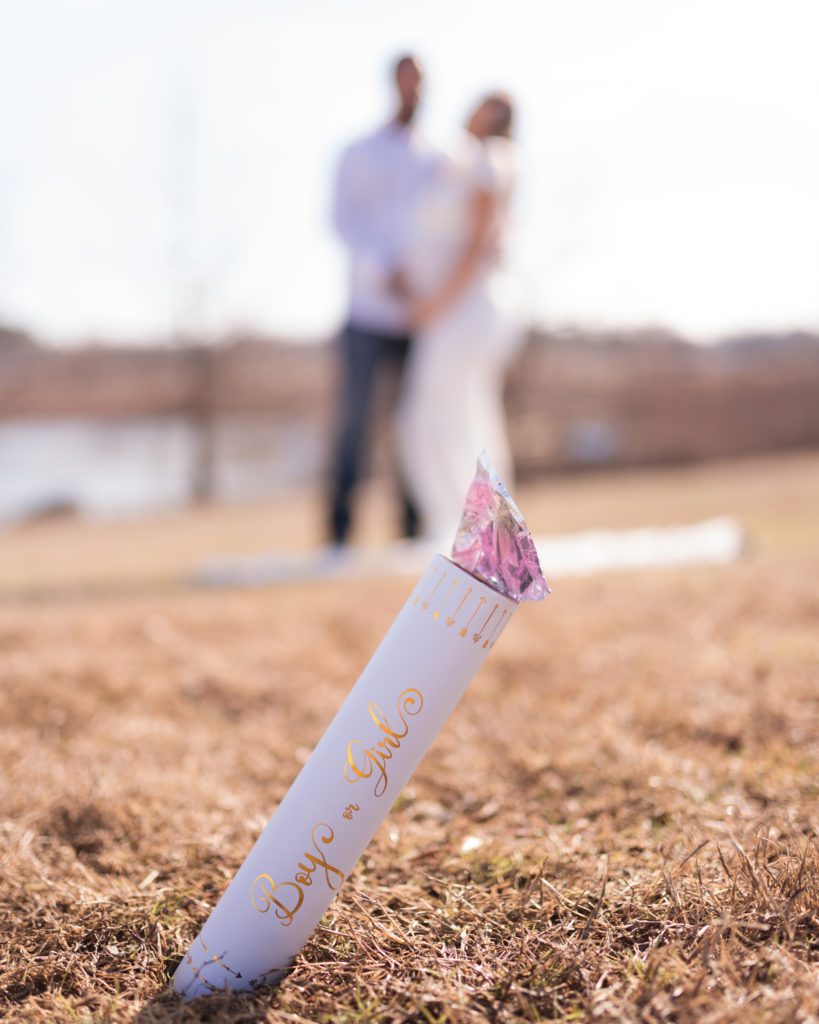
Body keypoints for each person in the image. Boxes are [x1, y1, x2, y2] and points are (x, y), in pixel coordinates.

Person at [397, 92, 524, 542]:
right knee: (466, 413)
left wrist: (436, 304)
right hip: (464, 306)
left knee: (429, 419)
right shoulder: (466, 162)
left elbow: (478, 241)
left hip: (465, 308)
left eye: (485, 106)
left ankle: (462, 528)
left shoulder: (490, 159)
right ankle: (482, 529)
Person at [327, 54, 437, 546]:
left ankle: (412, 529)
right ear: (392, 83)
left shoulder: (435, 158)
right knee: (356, 421)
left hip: (421, 315)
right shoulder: (358, 152)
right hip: (368, 311)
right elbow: (341, 220)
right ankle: (340, 532)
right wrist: (383, 269)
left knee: (414, 423)